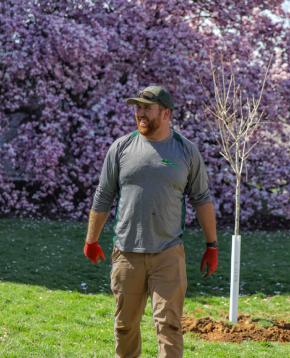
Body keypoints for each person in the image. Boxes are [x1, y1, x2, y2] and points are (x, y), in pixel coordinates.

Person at [83, 86, 218, 358]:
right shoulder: (121, 147)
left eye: (147, 108)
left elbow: (201, 199)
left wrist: (212, 245)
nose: (140, 114)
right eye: (138, 108)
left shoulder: (186, 151)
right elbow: (103, 195)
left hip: (168, 251)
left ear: (166, 113)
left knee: (169, 326)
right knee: (124, 325)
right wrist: (91, 240)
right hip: (126, 253)